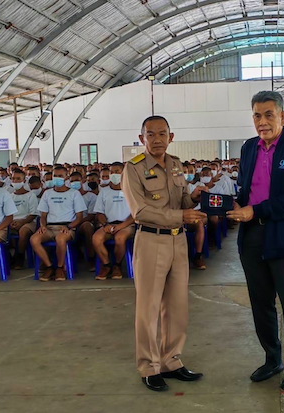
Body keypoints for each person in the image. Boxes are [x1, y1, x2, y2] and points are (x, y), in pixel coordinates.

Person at [226, 91, 284, 392]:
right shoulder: (249, 147)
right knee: (261, 302)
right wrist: (232, 205)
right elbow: (245, 189)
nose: (262, 122)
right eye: (256, 115)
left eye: (268, 115)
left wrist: (256, 210)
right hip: (252, 235)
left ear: (282, 116)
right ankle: (272, 359)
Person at [122, 115, 207, 392]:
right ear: (142, 138)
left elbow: (181, 201)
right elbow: (140, 211)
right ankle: (149, 366)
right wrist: (181, 215)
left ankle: (172, 360)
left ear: (171, 137)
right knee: (148, 308)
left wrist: (193, 198)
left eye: (162, 134)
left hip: (178, 241)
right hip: (151, 240)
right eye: (151, 134)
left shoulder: (176, 165)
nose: (157, 139)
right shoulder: (133, 168)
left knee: (176, 305)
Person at [32, 166, 87, 282]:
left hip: (67, 226)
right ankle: (49, 266)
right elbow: (43, 216)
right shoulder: (47, 193)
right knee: (34, 239)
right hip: (50, 226)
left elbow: (79, 217)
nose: (57, 178)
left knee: (60, 239)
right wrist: (43, 226)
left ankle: (60, 267)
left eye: (60, 176)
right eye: (55, 176)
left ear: (66, 177)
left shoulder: (74, 194)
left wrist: (69, 226)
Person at [92, 162, 135, 280]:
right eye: (112, 172)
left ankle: (117, 265)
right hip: (109, 224)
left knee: (119, 238)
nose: (114, 174)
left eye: (117, 172)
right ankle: (106, 265)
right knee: (96, 238)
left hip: (127, 225)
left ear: (123, 173)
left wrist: (122, 226)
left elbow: (135, 214)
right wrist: (105, 224)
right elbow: (100, 212)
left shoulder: (131, 190)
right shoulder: (104, 191)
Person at [9, 169, 39, 270]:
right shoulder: (10, 196)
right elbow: (7, 214)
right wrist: (11, 222)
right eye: (13, 178)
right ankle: (8, 257)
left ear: (24, 181)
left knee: (23, 231)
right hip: (13, 221)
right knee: (0, 232)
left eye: (18, 179)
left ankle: (19, 257)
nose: (15, 181)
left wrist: (22, 222)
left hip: (28, 221)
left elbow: (33, 214)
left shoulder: (30, 195)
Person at [69, 171, 98, 270]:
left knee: (87, 226)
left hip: (82, 223)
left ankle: (91, 258)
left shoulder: (91, 196)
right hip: (68, 223)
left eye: (77, 180)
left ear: (83, 181)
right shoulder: (68, 196)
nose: (74, 183)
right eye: (72, 181)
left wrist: (76, 223)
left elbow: (91, 216)